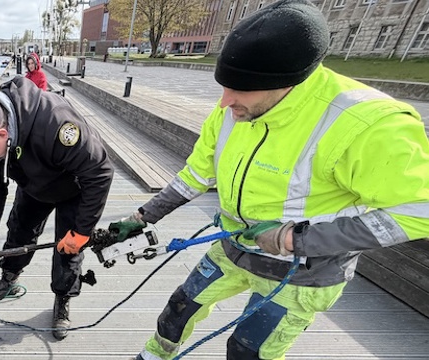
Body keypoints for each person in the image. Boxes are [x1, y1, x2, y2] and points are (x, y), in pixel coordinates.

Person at [109, 1, 429, 359]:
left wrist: (296, 238)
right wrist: (142, 217)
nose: (224, 102)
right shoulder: (234, 111)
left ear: (287, 83)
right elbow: (197, 173)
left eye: (240, 88)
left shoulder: (368, 124)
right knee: (177, 313)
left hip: (301, 272)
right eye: (224, 86)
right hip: (234, 247)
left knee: (247, 350)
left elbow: (418, 211)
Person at [0, 77, 114, 340]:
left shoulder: (57, 123)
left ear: (2, 134)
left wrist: (83, 231)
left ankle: (63, 298)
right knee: (19, 230)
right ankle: (9, 278)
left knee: (68, 250)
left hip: (74, 188)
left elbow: (101, 173)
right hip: (33, 183)